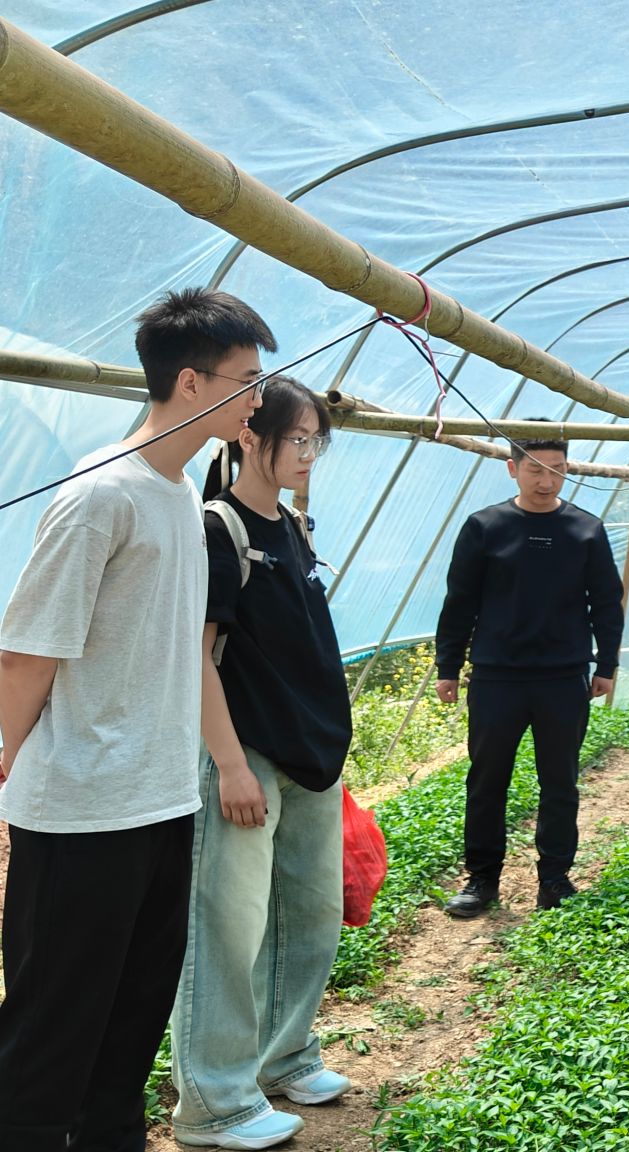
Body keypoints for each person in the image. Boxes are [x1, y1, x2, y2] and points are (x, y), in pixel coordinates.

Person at [0, 288, 271, 1152]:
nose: (259, 400)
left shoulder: (181, 494)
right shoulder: (100, 495)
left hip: (158, 801)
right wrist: (5, 761)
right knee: (53, 1026)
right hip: (80, 809)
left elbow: (183, 652)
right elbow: (27, 654)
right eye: (247, 380)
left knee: (132, 1016)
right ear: (191, 382)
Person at [171, 378, 355, 1148]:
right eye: (297, 439)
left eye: (317, 441)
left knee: (310, 916)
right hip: (248, 753)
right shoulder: (219, 529)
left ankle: (285, 1056)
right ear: (250, 437)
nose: (309, 454)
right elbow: (198, 656)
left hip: (311, 756)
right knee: (228, 926)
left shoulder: (294, 527)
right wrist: (230, 765)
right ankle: (213, 1104)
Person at [435, 429, 625, 917]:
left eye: (557, 470)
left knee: (560, 782)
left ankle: (555, 880)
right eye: (535, 470)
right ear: (512, 468)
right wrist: (448, 666)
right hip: (497, 676)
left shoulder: (585, 529)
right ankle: (482, 880)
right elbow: (460, 601)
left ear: (568, 470)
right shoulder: (485, 527)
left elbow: (607, 602)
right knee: (486, 780)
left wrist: (606, 663)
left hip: (562, 677)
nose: (546, 481)